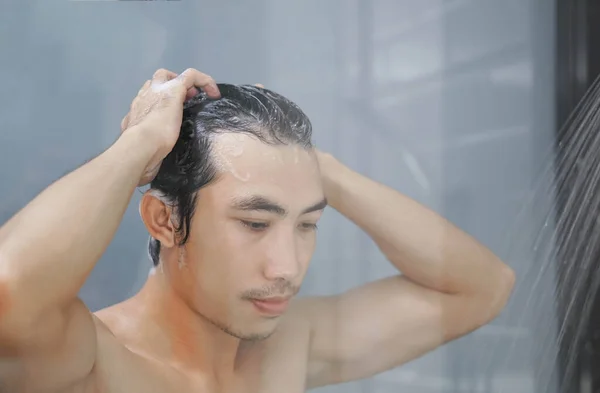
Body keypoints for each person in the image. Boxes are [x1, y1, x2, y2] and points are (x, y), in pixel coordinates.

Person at [0, 68, 515, 393]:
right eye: (254, 223)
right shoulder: (88, 364)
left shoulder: (291, 348)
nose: (287, 268)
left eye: (308, 224)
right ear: (164, 221)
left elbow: (483, 288)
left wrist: (320, 170)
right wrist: (138, 147)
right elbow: (9, 294)